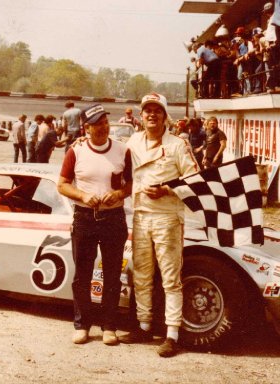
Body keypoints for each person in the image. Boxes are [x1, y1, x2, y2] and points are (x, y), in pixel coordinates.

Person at [120, 93, 198, 358]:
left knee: (170, 278)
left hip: (167, 218)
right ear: (140, 116)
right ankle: (143, 326)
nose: (151, 115)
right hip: (140, 216)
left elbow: (196, 181)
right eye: (147, 111)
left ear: (165, 116)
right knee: (141, 275)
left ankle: (172, 334)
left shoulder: (178, 145)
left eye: (157, 111)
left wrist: (167, 189)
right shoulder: (132, 141)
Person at [57, 103, 132, 346]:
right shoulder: (75, 151)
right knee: (82, 275)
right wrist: (83, 196)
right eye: (97, 124)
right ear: (86, 128)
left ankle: (109, 326)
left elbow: (131, 184)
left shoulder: (122, 150)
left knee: (112, 274)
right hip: (85, 217)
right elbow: (62, 184)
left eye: (105, 122)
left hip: (113, 217)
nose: (103, 127)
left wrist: (119, 194)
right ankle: (82, 325)